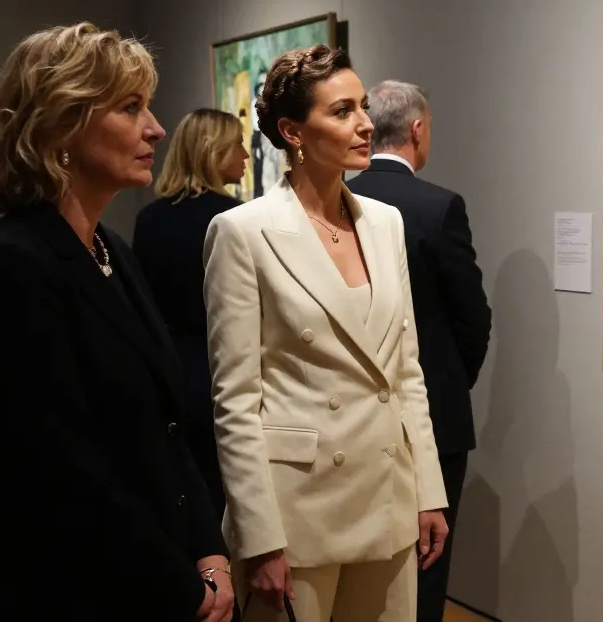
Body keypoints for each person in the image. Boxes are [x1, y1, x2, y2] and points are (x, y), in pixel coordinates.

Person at [0, 22, 233, 622]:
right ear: (60, 125)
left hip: (143, 574)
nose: (156, 128)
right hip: (58, 590)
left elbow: (165, 425)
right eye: (131, 108)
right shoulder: (12, 264)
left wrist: (209, 549)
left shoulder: (111, 249)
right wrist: (181, 584)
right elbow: (55, 468)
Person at [204, 45, 449, 622]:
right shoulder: (243, 232)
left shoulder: (385, 223)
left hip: (388, 498)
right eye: (342, 111)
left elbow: (406, 370)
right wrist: (257, 534)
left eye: (363, 107)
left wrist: (429, 490)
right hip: (297, 514)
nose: (365, 124)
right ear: (293, 131)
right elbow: (236, 400)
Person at [346, 81, 491, 622]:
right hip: (434, 410)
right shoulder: (438, 207)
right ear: (417, 130)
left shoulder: (337, 201)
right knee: (427, 566)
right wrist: (451, 381)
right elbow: (472, 317)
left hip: (354, 418)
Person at [133, 108, 249, 517]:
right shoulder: (235, 220)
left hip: (169, 372)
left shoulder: (150, 218)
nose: (246, 155)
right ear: (214, 151)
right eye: (238, 144)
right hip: (224, 371)